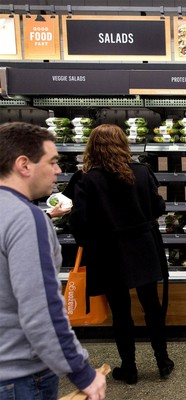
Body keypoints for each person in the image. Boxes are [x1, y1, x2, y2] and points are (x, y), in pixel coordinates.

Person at [0, 122, 106, 400]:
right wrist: (82, 372)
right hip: (20, 378)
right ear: (24, 165)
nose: (59, 170)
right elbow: (41, 310)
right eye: (53, 161)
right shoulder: (26, 218)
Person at [69, 124, 173, 384]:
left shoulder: (86, 179)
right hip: (143, 247)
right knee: (152, 306)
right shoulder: (141, 171)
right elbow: (158, 207)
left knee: (121, 312)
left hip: (108, 251)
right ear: (123, 145)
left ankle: (130, 368)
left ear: (92, 147)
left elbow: (80, 220)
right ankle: (162, 361)